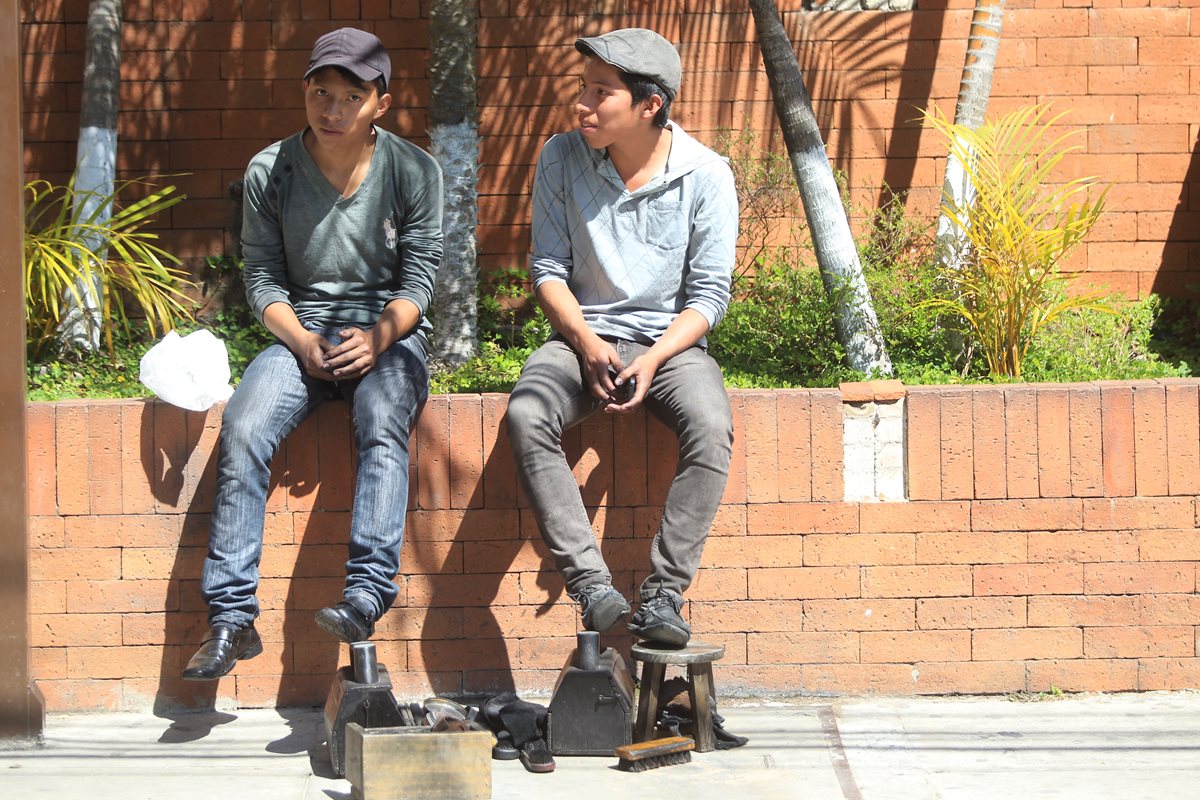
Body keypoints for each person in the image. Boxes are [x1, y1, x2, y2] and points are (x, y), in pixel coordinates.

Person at [183, 27, 443, 680]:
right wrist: (299, 341)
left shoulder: (414, 170)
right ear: (305, 92)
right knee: (243, 424)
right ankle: (231, 618)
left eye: (349, 97)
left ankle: (367, 593)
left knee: (383, 417)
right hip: (300, 336)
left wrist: (380, 337)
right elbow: (262, 277)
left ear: (379, 103)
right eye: (320, 93)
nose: (332, 111)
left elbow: (421, 279)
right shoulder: (270, 171)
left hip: (389, 336)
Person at [506, 28, 738, 647]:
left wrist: (657, 356)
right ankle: (593, 589)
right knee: (527, 414)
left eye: (600, 92)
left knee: (711, 427)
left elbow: (709, 297)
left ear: (649, 105)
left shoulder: (707, 175)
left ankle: (663, 596)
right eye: (582, 88)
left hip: (671, 346)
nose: (581, 104)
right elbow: (548, 270)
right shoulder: (560, 157)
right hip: (582, 335)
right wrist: (585, 342)